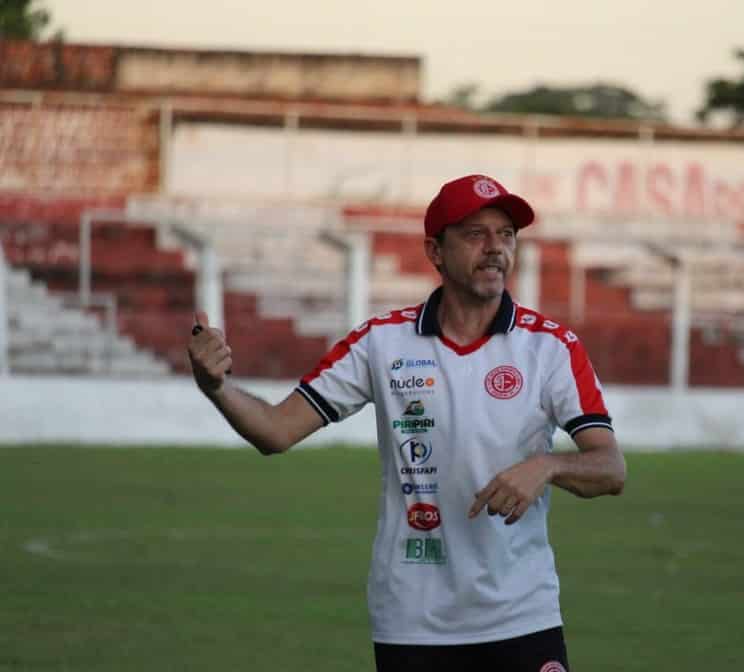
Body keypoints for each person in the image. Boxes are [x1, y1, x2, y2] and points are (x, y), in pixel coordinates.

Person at [187, 174, 627, 672]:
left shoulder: (551, 347)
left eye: (506, 235)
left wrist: (546, 466)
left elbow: (610, 468)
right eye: (475, 234)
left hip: (522, 615)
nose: (495, 248)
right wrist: (216, 387)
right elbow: (275, 430)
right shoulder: (381, 343)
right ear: (434, 251)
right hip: (412, 621)